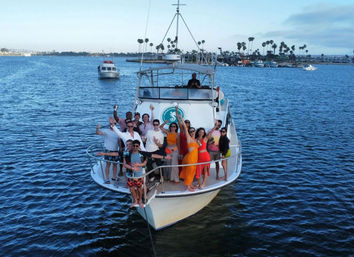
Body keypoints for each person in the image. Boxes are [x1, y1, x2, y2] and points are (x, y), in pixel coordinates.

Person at [123, 140, 170, 208]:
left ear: (139, 147)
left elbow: (152, 156)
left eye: (137, 146)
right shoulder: (127, 154)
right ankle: (135, 200)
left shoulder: (142, 153)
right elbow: (124, 164)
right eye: (134, 146)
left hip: (139, 174)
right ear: (132, 146)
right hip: (131, 174)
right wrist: (132, 168)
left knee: (139, 188)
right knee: (131, 188)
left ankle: (140, 201)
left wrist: (164, 157)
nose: (135, 147)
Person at [178, 114, 198, 192]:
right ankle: (188, 186)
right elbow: (185, 128)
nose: (192, 132)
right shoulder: (189, 138)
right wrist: (182, 119)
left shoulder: (196, 140)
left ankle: (191, 184)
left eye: (193, 131)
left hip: (194, 158)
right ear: (189, 132)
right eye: (191, 131)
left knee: (192, 171)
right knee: (189, 172)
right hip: (190, 158)